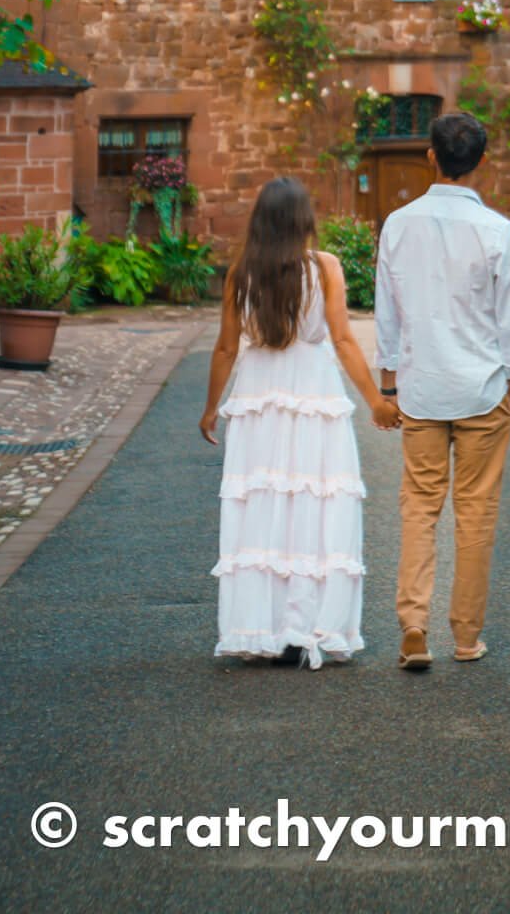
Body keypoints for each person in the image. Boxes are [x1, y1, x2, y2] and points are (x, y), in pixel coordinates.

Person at [200, 176, 400, 667]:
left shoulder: (239, 274)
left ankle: (262, 625)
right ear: (304, 221)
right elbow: (344, 341)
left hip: (259, 396)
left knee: (264, 508)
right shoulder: (325, 268)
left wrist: (211, 408)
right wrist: (375, 399)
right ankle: (307, 623)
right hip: (314, 393)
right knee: (315, 503)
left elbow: (226, 347)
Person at [374, 110, 510, 669]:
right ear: (481, 162)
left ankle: (414, 621)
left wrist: (388, 385)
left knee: (418, 505)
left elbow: (387, 313)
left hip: (420, 388)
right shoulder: (497, 231)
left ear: (431, 157)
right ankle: (466, 636)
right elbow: (509, 315)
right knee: (476, 511)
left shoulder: (397, 224)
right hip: (482, 387)